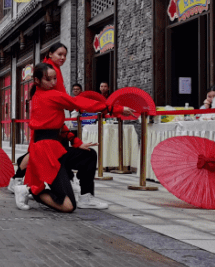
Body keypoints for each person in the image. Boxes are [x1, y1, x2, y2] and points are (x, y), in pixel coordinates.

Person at [21, 63, 134, 212]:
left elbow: (58, 126)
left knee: (88, 155)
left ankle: (86, 197)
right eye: (49, 79)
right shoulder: (50, 95)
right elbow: (80, 102)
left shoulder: (39, 95)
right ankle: (29, 191)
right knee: (68, 207)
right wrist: (115, 108)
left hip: (55, 149)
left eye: (55, 79)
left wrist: (76, 142)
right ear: (37, 80)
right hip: (47, 153)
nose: (53, 83)